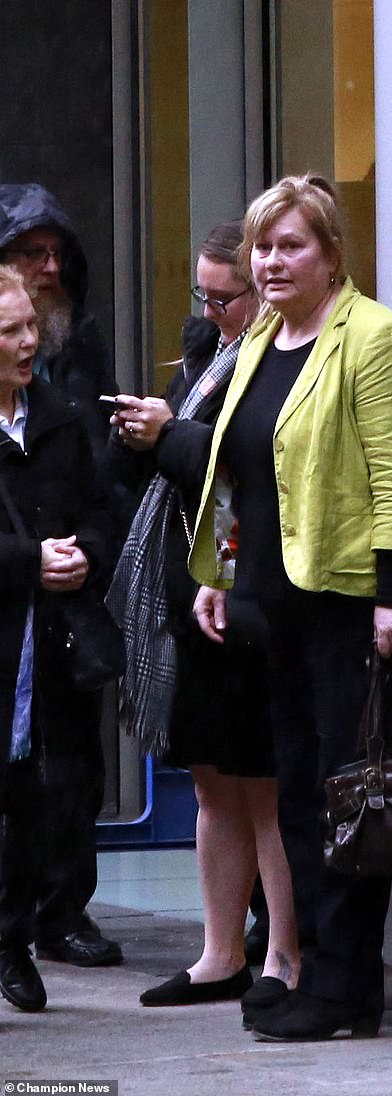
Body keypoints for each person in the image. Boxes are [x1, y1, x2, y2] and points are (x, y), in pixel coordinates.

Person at [189, 175, 392, 1041]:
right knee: (296, 794)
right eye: (263, 245)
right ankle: (312, 971)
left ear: (332, 254)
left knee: (349, 798)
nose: (271, 260)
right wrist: (218, 573)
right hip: (273, 609)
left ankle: (346, 990)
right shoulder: (261, 337)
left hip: (349, 605)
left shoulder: (377, 338)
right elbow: (239, 470)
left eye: (291, 245)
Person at [105, 220, 301, 1008]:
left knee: (266, 786)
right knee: (214, 780)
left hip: (257, 588)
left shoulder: (289, 357)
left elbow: (245, 468)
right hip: (197, 587)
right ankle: (220, 952)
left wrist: (171, 434)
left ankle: (283, 953)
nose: (215, 312)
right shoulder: (208, 353)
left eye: (228, 298)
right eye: (205, 296)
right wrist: (144, 437)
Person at [0, 183, 122, 970]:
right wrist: (26, 562)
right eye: (29, 256)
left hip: (61, 622)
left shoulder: (67, 390)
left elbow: (101, 496)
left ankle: (53, 914)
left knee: (69, 770)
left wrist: (86, 556)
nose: (49, 271)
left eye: (57, 256)